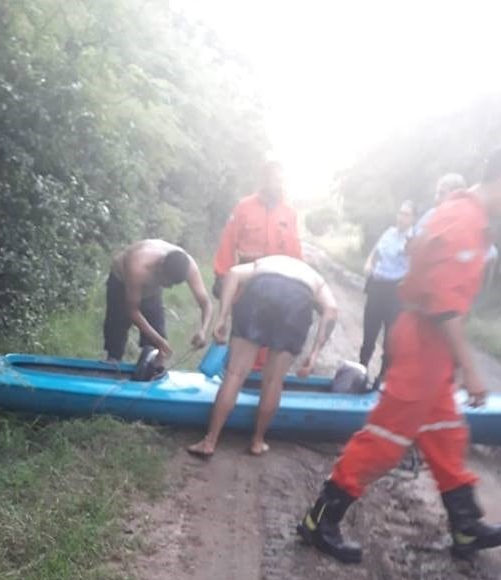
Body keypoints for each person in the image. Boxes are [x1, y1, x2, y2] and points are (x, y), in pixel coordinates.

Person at [297, 144, 501, 564]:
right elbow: (445, 307)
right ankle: (318, 521)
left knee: (444, 433)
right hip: (423, 345)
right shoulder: (460, 223)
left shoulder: (464, 216)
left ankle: (465, 526)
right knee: (383, 441)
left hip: (430, 347)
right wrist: (471, 371)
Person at [187, 255, 337, 458]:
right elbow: (331, 309)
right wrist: (314, 353)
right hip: (298, 301)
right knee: (274, 380)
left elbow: (232, 273)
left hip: (261, 290)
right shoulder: (316, 279)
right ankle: (257, 442)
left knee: (235, 374)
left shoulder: (269, 261)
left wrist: (222, 318)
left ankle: (210, 441)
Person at [213, 158, 303, 370]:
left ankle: (259, 382)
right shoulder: (244, 207)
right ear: (263, 180)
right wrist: (221, 275)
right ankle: (235, 378)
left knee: (270, 338)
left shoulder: (289, 213)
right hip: (247, 282)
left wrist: (299, 283)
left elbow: (295, 251)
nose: (278, 184)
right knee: (243, 335)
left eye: (281, 180)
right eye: (274, 179)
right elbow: (228, 241)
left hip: (278, 284)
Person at [104, 240, 212, 364]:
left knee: (157, 344)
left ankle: (151, 369)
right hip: (121, 282)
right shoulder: (138, 266)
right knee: (117, 330)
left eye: (173, 284)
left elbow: (206, 303)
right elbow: (132, 311)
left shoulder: (188, 266)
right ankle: (112, 363)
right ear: (160, 266)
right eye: (167, 282)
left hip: (152, 292)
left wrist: (203, 330)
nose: (169, 287)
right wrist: (159, 341)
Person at [360, 201, 416, 378]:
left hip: (395, 290)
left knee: (391, 338)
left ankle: (383, 379)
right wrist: (369, 264)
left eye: (406, 214)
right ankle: (361, 372)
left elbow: (416, 267)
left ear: (413, 218)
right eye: (400, 213)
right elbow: (375, 252)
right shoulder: (389, 233)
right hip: (377, 286)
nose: (401, 217)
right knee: (369, 333)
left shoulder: (413, 240)